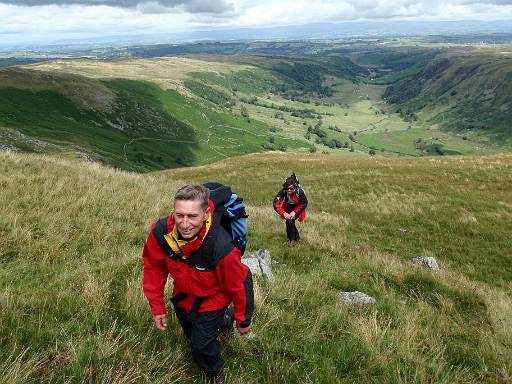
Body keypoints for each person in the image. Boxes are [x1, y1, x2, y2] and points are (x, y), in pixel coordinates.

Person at [142, 184, 254, 384]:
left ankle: (215, 371)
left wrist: (244, 319)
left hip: (213, 298)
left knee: (200, 345)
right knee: (191, 335)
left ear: (205, 213)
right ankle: (224, 321)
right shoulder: (162, 233)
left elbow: (240, 280)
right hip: (184, 296)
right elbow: (154, 268)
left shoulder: (221, 246)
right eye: (180, 215)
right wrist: (157, 307)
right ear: (173, 212)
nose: (184, 224)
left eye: (192, 216)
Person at [273, 175, 308, 245]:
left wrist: (294, 212)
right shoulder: (283, 191)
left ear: (295, 187)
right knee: (289, 221)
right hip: (289, 206)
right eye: (287, 188)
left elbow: (304, 203)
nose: (289, 190)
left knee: (289, 221)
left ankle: (292, 240)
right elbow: (275, 203)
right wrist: (283, 213)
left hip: (298, 207)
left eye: (291, 188)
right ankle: (295, 237)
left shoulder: (300, 192)